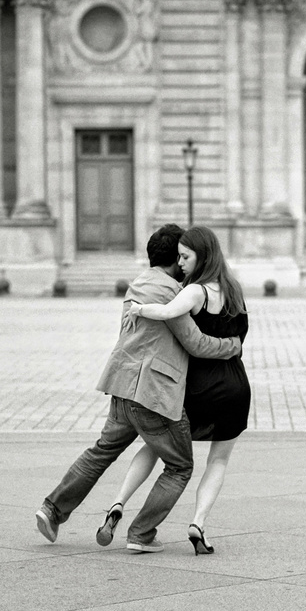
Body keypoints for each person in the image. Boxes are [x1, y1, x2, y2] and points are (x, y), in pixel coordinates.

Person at [35, 224, 241, 553]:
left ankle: (52, 509)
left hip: (122, 384)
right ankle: (141, 533)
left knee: (101, 452)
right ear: (176, 258)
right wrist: (231, 345)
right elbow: (195, 342)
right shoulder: (170, 292)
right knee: (180, 466)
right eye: (182, 256)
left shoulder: (139, 283)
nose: (185, 263)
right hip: (153, 393)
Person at [98, 226, 251, 556]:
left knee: (156, 446)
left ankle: (118, 502)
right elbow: (241, 336)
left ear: (202, 257)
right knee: (219, 460)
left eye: (185, 257)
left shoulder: (194, 292)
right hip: (234, 386)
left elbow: (168, 312)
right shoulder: (234, 290)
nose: (179, 263)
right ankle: (198, 523)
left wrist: (139, 309)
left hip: (194, 389)